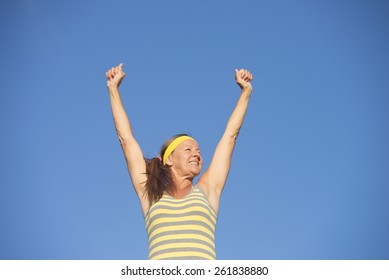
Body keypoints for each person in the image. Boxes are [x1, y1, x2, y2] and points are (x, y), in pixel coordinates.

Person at [106, 63, 253, 260]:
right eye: (188, 149)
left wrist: (246, 92)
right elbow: (126, 139)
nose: (197, 154)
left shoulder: (208, 190)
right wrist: (113, 88)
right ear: (168, 160)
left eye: (199, 150)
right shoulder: (149, 191)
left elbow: (229, 137)